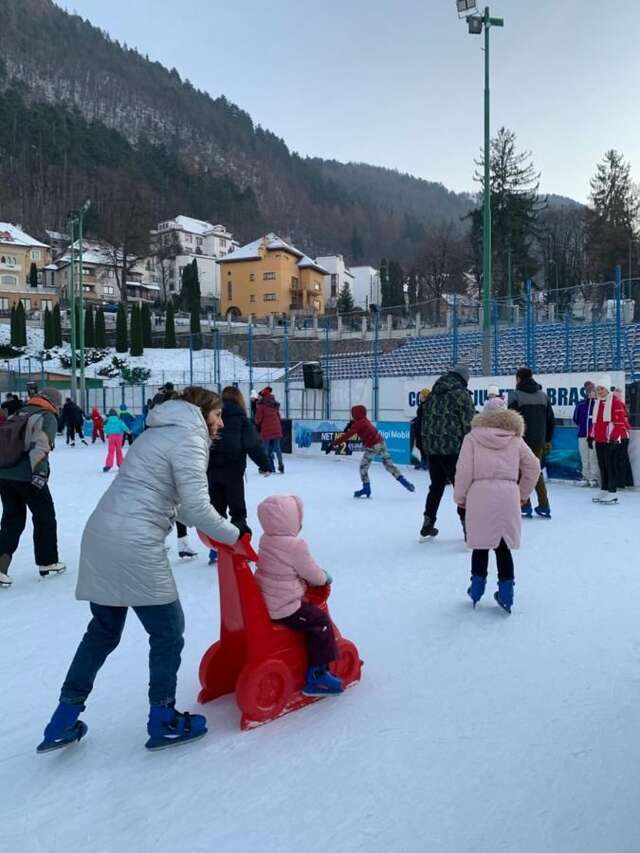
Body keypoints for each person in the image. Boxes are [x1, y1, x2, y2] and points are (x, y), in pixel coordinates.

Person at [37, 387, 240, 753]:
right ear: (200, 412)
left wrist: (206, 527)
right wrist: (233, 534)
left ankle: (62, 719)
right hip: (135, 542)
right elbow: (194, 506)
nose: (220, 422)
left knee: (102, 631)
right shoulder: (190, 438)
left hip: (101, 533)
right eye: (217, 414)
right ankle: (163, 718)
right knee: (168, 631)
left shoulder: (156, 431)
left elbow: (163, 495)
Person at [454, 396, 540, 613]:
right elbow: (533, 467)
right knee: (503, 548)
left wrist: (460, 497)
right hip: (508, 495)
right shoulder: (515, 439)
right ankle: (506, 593)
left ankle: (476, 589)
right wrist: (522, 493)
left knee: (480, 544)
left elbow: (463, 470)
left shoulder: (472, 438)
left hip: (479, 494)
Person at [255, 495, 343, 696]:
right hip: (285, 607)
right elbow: (312, 573)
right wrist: (324, 577)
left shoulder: (265, 539)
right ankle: (317, 676)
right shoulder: (296, 545)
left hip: (265, 601)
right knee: (319, 622)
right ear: (291, 519)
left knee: (309, 612)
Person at [0, 387, 66, 587]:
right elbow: (41, 445)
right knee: (45, 516)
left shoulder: (19, 413)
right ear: (54, 402)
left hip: (4, 474)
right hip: (28, 475)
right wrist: (40, 474)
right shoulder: (47, 416)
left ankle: (1, 567)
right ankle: (48, 562)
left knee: (12, 519)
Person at [206, 386, 271, 564]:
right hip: (233, 471)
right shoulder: (241, 419)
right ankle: (239, 548)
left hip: (212, 471)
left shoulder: (211, 417)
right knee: (237, 511)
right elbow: (253, 445)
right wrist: (265, 464)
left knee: (217, 511)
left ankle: (216, 549)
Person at [419, 364, 475, 539]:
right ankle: (468, 527)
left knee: (436, 486)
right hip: (454, 450)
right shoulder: (462, 395)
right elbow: (469, 424)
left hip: (433, 450)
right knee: (462, 488)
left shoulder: (433, 395)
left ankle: (428, 523)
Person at [328, 404, 415, 497]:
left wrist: (333, 444)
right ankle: (405, 483)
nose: (352, 416)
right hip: (380, 443)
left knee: (363, 467)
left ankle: (366, 488)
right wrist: (352, 424)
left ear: (356, 414)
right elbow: (359, 425)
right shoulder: (364, 420)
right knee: (388, 465)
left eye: (353, 414)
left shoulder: (359, 423)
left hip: (373, 446)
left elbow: (347, 436)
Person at [508, 367, 555, 519]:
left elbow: (511, 420)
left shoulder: (515, 396)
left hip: (520, 440)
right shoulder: (543, 396)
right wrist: (547, 439)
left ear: (518, 378)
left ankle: (524, 505)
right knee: (536, 471)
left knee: (520, 472)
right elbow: (550, 420)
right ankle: (544, 504)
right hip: (538, 441)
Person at [590, 376, 630, 505]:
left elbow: (620, 423)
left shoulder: (615, 402)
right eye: (598, 389)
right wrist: (591, 436)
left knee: (610, 466)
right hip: (600, 439)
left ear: (607, 389)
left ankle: (612, 492)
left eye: (602, 389)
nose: (600, 391)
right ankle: (604, 490)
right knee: (602, 465)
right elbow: (595, 423)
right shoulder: (597, 403)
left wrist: (613, 438)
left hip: (610, 440)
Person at [572, 381, 599, 487]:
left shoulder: (598, 404)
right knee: (585, 457)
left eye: (593, 390)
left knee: (593, 457)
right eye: (589, 390)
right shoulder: (581, 405)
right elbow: (576, 419)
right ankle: (586, 477)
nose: (591, 392)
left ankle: (594, 478)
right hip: (583, 435)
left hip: (594, 436)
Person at [255, 386, 285, 473]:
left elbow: (258, 420)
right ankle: (281, 465)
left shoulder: (261, 406)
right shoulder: (274, 404)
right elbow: (279, 417)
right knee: (277, 448)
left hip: (267, 430)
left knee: (265, 449)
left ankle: (267, 467)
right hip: (277, 428)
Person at [613, 388, 634, 489]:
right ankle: (627, 481)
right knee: (623, 458)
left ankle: (621, 482)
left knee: (619, 459)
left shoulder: (618, 405)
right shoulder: (622, 404)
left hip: (621, 435)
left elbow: (622, 422)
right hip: (623, 434)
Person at [411, 388, 430, 470]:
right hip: (419, 428)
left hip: (424, 429)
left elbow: (426, 417)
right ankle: (422, 461)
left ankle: (426, 463)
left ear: (425, 396)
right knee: (420, 445)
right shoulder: (422, 404)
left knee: (424, 446)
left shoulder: (428, 405)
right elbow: (420, 416)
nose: (420, 396)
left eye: (422, 395)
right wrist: (414, 420)